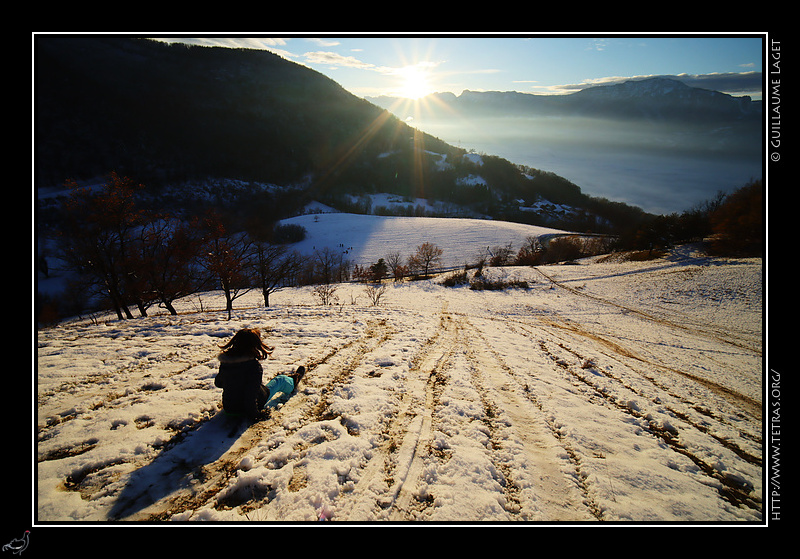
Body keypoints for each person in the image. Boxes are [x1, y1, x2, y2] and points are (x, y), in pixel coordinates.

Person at [215, 328, 274, 419]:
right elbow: (250, 396)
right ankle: (293, 381)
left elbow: (218, 383)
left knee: (256, 386)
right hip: (244, 410)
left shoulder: (225, 362)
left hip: (229, 409)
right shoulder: (254, 366)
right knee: (279, 381)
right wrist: (256, 415)